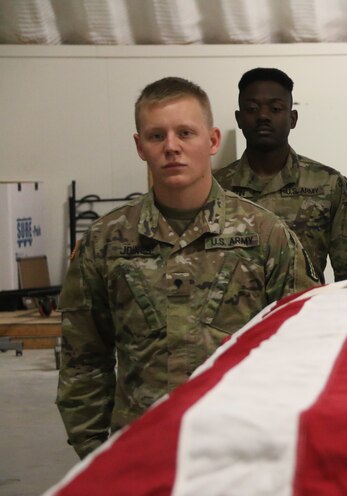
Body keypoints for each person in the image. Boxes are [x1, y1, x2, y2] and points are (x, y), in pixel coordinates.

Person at [57, 76, 319, 459]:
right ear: (139, 147)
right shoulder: (106, 241)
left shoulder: (265, 236)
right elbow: (84, 360)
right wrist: (94, 454)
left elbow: (306, 348)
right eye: (156, 136)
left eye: (185, 133)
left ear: (212, 141)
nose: (172, 147)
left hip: (242, 450)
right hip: (140, 452)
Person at [214, 67, 347, 283]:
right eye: (252, 108)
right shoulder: (215, 188)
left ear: (292, 119)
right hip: (239, 317)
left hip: (303, 313)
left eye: (275, 108)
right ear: (239, 119)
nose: (263, 116)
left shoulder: (330, 186)